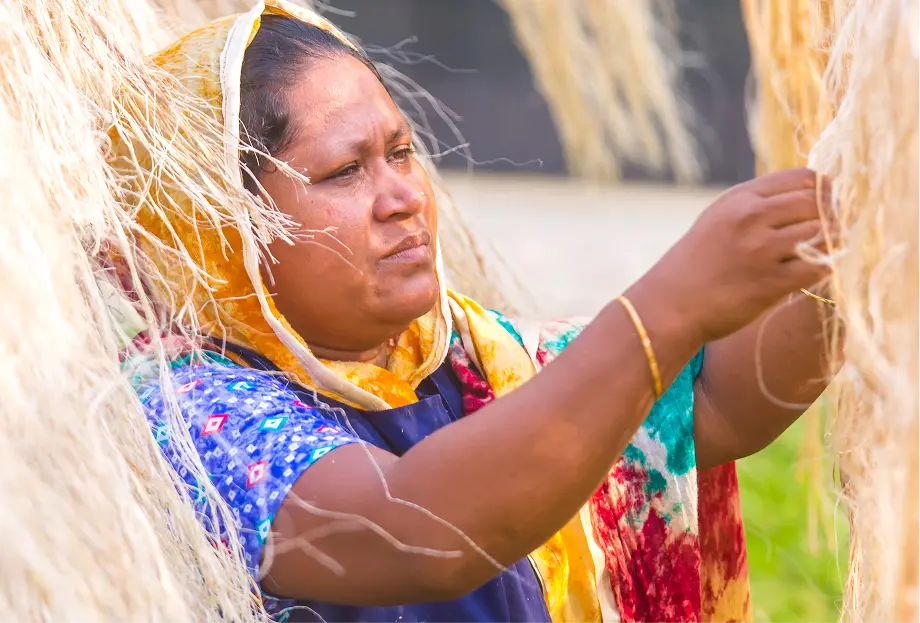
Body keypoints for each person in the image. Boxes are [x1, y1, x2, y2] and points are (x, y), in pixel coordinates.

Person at [117, 2, 835, 621]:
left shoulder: (464, 355)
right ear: (214, 225)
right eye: (345, 170)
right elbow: (418, 526)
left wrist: (860, 237)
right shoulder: (185, 410)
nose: (401, 196)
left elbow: (711, 402)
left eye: (400, 153)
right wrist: (670, 305)